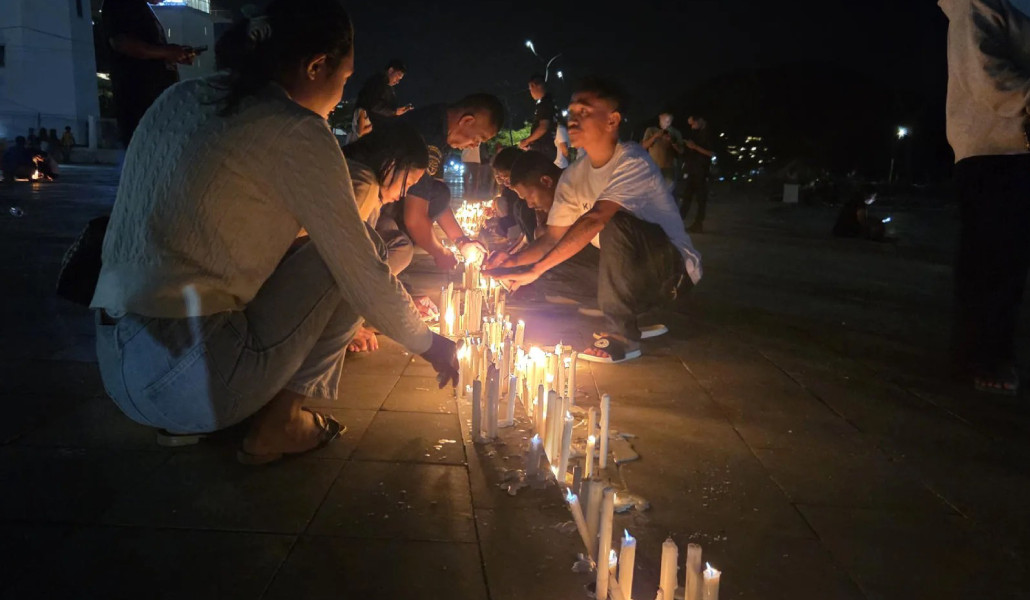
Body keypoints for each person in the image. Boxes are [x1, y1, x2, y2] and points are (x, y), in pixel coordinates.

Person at [90, 0, 459, 464]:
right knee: (361, 251)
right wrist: (429, 343)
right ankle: (281, 423)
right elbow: (361, 269)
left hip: (116, 369)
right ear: (316, 66)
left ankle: (203, 414)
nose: (341, 93)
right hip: (195, 382)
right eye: (344, 78)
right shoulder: (297, 129)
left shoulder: (177, 100)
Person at [489, 78, 702, 364]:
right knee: (553, 262)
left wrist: (535, 268)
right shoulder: (573, 176)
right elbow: (552, 238)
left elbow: (597, 218)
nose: (573, 119)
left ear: (612, 120)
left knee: (613, 223)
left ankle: (623, 336)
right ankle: (628, 312)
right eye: (572, 111)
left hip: (670, 273)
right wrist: (513, 264)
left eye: (584, 111)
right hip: (628, 271)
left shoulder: (632, 160)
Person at [940, 0, 1030, 395]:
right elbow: (988, 78)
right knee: (993, 265)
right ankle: (983, 357)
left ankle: (986, 355)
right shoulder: (974, 4)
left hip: (1009, 152)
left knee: (1003, 265)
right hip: (994, 153)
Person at [379, 93, 505, 271]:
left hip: (384, 199)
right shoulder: (429, 134)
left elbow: (436, 196)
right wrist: (440, 253)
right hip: (369, 203)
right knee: (401, 249)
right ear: (467, 121)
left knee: (440, 192)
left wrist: (462, 242)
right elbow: (414, 218)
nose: (474, 146)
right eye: (478, 139)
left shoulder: (440, 127)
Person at [338, 122, 430, 353]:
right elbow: (344, 261)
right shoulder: (363, 185)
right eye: (408, 183)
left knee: (390, 237)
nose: (404, 193)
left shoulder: (362, 180)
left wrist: (403, 301)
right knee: (380, 250)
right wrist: (346, 327)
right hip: (295, 286)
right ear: (390, 163)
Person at [102, 0, 201, 147]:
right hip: (140, 103)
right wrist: (167, 52)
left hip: (153, 105)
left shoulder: (140, 8)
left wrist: (171, 54)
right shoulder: (121, 4)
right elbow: (122, 43)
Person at [680, 115, 716, 232]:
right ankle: (678, 221)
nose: (692, 126)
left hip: (701, 170)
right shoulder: (696, 133)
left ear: (700, 120)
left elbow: (711, 153)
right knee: (687, 197)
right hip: (692, 169)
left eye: (693, 123)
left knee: (700, 199)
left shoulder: (709, 134)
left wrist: (695, 147)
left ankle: (698, 224)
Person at [355, 59, 412, 131]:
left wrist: (397, 111)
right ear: (390, 70)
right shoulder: (377, 82)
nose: (397, 82)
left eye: (400, 79)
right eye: (397, 77)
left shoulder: (387, 87)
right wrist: (394, 112)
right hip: (367, 130)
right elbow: (374, 105)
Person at [519, 73, 558, 157]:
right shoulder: (551, 101)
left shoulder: (544, 104)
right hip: (549, 148)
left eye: (530, 89)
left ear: (533, 85)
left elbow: (543, 127)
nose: (530, 92)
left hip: (544, 150)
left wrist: (526, 141)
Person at [641, 111, 683, 189]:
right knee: (651, 191)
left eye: (669, 121)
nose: (667, 123)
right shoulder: (651, 130)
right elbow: (643, 146)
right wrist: (655, 137)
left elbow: (681, 151)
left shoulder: (675, 133)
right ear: (660, 118)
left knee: (666, 192)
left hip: (668, 170)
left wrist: (672, 141)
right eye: (665, 120)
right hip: (653, 168)